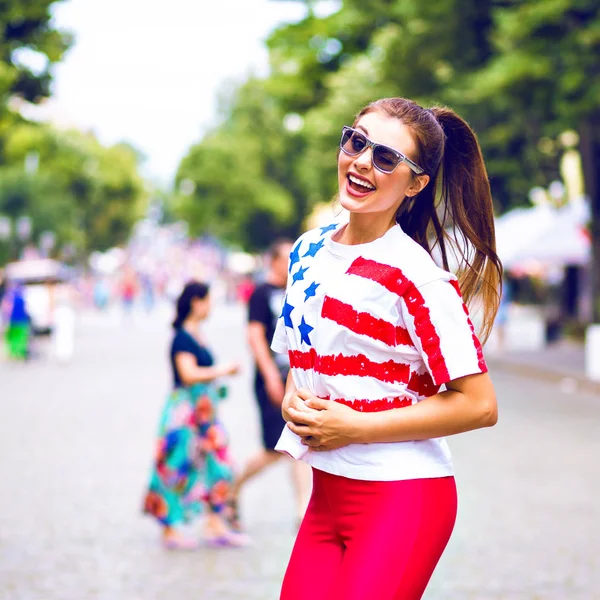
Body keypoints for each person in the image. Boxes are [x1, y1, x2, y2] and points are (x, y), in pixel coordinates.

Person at [272, 98, 502, 599]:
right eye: (357, 142)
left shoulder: (416, 276)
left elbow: (480, 405)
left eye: (385, 158)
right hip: (326, 494)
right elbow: (300, 354)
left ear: (416, 183)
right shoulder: (307, 250)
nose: (361, 162)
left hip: (403, 498)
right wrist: (295, 398)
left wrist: (355, 427)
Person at [143, 281, 248, 549]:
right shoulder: (182, 338)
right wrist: (223, 370)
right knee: (176, 468)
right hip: (184, 415)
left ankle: (215, 523)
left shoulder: (197, 334)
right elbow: (188, 374)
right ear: (196, 302)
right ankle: (170, 528)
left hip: (204, 415)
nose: (211, 306)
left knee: (220, 465)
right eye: (208, 300)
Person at [230, 240, 311, 530]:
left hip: (296, 380)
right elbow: (254, 337)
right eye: (288, 258)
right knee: (273, 450)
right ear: (274, 262)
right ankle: (231, 489)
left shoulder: (298, 290)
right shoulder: (261, 293)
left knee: (299, 445)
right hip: (271, 381)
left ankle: (303, 511)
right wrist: (270, 378)